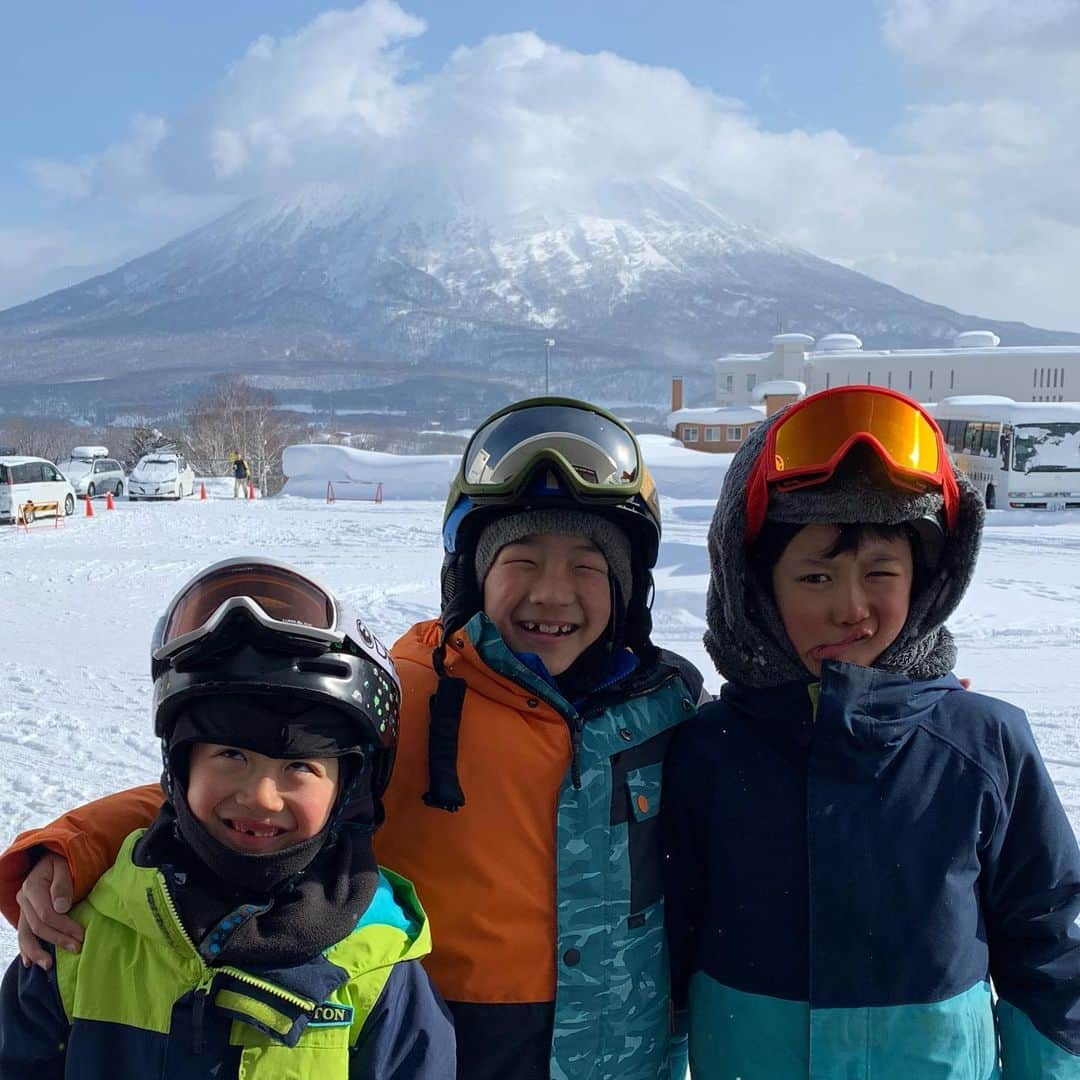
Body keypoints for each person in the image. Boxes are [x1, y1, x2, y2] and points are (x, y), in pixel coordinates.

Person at [1, 397, 708, 1080]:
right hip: (443, 1039)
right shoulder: (415, 691)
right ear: (470, 572)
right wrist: (77, 844)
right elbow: (242, 785)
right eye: (520, 559)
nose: (552, 593)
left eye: (587, 565)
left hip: (623, 1050)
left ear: (627, 586)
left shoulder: (668, 710)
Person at [663, 385, 1080, 1077]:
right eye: (816, 576)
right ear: (756, 589)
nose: (849, 608)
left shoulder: (986, 744)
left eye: (880, 572)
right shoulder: (709, 748)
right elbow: (666, 951)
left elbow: (1049, 947)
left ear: (927, 580)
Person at [0, 557, 454, 1078]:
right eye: (231, 756)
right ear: (179, 766)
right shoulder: (80, 942)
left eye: (300, 766)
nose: (261, 797)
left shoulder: (375, 970)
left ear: (347, 790)